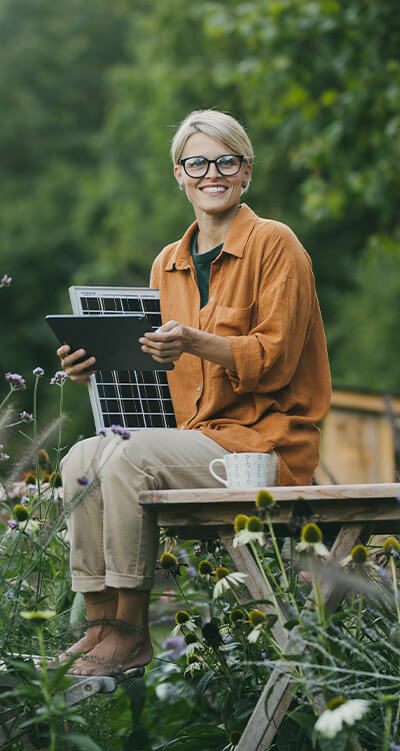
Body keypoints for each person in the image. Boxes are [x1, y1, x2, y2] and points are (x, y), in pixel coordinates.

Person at [57, 109, 331, 676]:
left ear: (246, 171)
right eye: (197, 162)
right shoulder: (168, 263)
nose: (213, 172)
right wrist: (96, 366)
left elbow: (276, 361)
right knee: (82, 456)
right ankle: (100, 623)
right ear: (178, 174)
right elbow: (157, 376)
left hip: (262, 449)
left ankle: (133, 631)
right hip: (194, 442)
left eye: (226, 160)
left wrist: (199, 343)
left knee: (127, 456)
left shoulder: (275, 244)